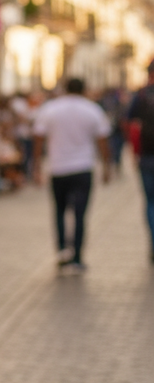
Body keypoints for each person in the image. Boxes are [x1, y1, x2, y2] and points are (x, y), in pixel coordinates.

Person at [33, 77, 111, 273]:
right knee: (80, 213)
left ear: (65, 89)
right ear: (84, 89)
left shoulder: (51, 109)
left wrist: (36, 166)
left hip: (58, 168)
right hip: (83, 167)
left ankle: (61, 250)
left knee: (59, 210)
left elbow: (38, 137)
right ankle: (77, 256)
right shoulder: (92, 109)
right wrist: (107, 166)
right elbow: (102, 140)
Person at [128, 59, 154, 261]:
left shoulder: (142, 95)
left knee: (151, 203)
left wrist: (133, 152)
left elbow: (129, 123)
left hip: (147, 156)